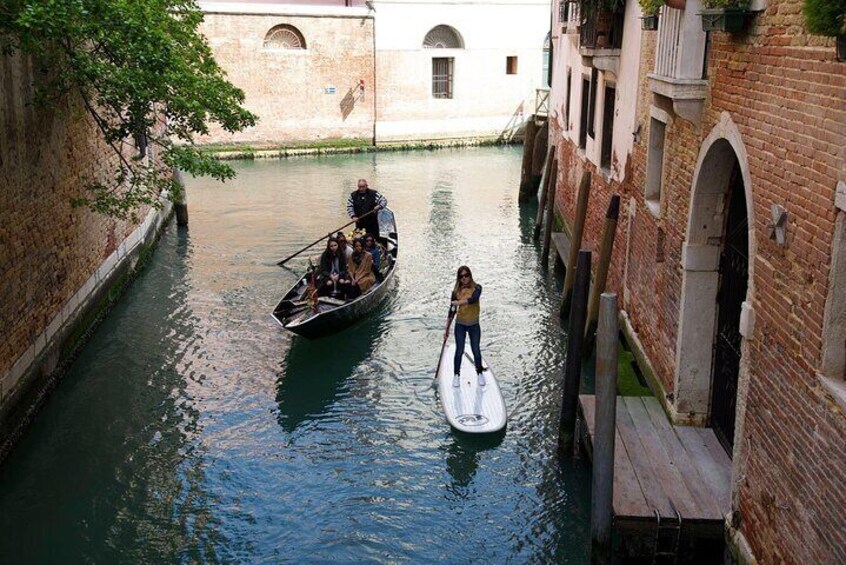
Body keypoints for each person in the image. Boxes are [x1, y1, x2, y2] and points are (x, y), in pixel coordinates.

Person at [446, 266, 485, 388]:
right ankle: (456, 375)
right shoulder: (455, 292)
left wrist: (458, 303)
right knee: (459, 351)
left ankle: (479, 373)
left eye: (466, 275)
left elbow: (473, 299)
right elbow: (451, 312)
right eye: (461, 276)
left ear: (470, 275)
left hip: (474, 325)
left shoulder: (477, 288)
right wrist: (446, 329)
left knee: (476, 350)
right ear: (459, 278)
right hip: (460, 325)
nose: (464, 278)